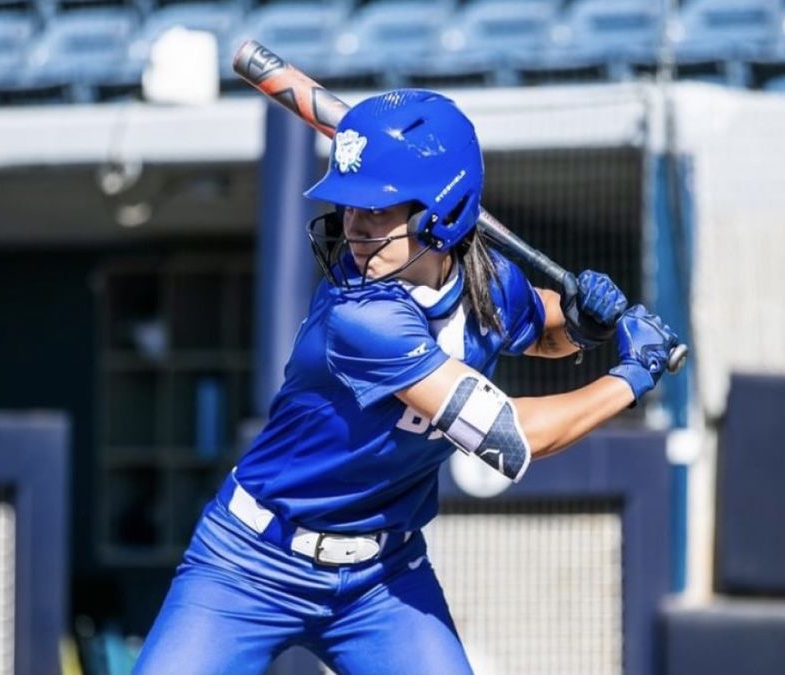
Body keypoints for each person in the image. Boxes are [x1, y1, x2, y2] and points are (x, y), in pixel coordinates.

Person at [133, 89, 679, 675]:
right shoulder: (360, 318)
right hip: (253, 563)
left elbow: (541, 329)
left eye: (377, 211)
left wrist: (581, 325)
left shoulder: (490, 281)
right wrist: (630, 376)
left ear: (441, 217)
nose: (354, 227)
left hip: (381, 578)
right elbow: (513, 438)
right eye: (349, 207)